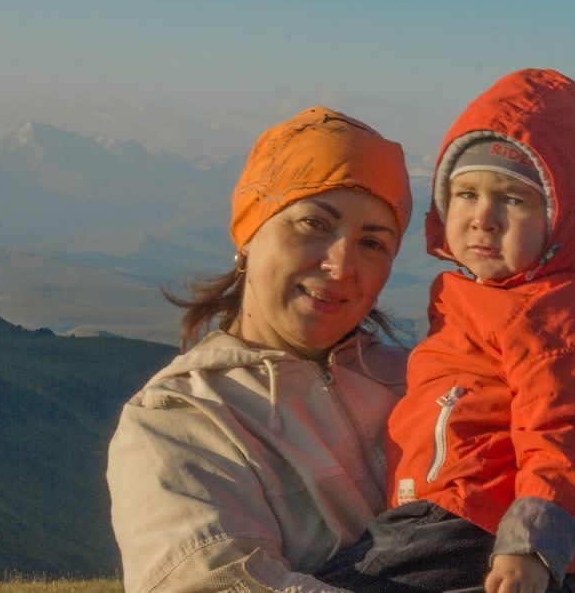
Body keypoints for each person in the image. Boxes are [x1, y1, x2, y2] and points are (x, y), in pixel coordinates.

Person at [319, 70, 575, 593]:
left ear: (563, 215)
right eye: (465, 193)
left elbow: (567, 435)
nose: (483, 218)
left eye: (513, 200)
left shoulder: (564, 311)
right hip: (446, 512)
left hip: (474, 519)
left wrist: (532, 544)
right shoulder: (486, 293)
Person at [107, 106, 414, 593]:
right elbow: (213, 579)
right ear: (249, 233)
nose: (341, 264)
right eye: (315, 224)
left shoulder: (422, 386)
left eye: (373, 244)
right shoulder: (180, 420)